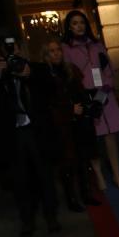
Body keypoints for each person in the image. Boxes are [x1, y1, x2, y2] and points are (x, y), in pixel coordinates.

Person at [0, 37, 60, 237]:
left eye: (9, 49)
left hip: (36, 132)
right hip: (12, 135)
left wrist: (28, 76)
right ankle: (27, 220)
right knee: (20, 181)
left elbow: (53, 92)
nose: (4, 54)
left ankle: (51, 217)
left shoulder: (36, 69)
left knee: (45, 176)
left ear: (19, 49)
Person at [61, 10, 119, 190]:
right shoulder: (66, 48)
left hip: (105, 93)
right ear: (69, 27)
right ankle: (98, 174)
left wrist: (107, 86)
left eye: (81, 22)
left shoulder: (97, 44)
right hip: (86, 95)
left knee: (111, 135)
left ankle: (117, 174)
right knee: (92, 137)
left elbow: (109, 67)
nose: (79, 26)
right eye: (74, 23)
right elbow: (67, 75)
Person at [41, 36, 100, 212]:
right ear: (46, 55)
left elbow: (80, 91)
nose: (56, 53)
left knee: (83, 159)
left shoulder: (71, 69)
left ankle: (86, 194)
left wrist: (88, 105)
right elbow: (47, 103)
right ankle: (72, 199)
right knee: (67, 163)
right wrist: (69, 109)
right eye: (51, 51)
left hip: (79, 121)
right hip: (61, 126)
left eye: (58, 50)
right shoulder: (45, 75)